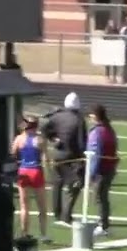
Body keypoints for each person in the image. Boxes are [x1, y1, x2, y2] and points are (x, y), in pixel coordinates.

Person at [43, 92, 88, 225]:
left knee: (57, 183)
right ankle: (66, 215)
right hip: (72, 157)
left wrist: (53, 139)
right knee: (76, 183)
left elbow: (44, 129)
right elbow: (81, 141)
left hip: (57, 155)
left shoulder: (57, 116)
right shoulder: (79, 120)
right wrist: (83, 157)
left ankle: (57, 213)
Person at [76, 105, 119, 236]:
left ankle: (103, 225)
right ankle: (104, 223)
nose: (89, 117)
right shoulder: (109, 129)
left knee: (100, 197)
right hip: (109, 168)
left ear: (96, 116)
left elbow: (95, 153)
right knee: (103, 197)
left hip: (101, 169)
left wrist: (91, 173)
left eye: (91, 114)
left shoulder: (97, 132)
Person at [10, 115, 51, 243]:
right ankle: (43, 234)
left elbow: (12, 154)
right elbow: (46, 159)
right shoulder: (40, 139)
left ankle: (25, 233)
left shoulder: (19, 139)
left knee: (24, 206)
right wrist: (49, 173)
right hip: (36, 171)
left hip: (23, 171)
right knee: (42, 206)